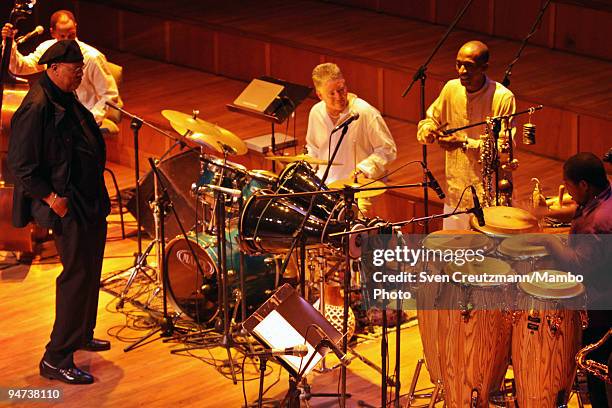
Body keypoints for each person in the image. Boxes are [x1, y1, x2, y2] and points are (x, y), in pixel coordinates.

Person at [8, 40, 111, 385]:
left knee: (91, 267)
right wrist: (52, 199)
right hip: (67, 204)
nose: (80, 75)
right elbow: (21, 166)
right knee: (76, 276)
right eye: (74, 69)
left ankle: (81, 333)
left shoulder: (65, 96)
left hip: (88, 200)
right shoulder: (37, 106)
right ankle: (56, 357)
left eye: (81, 69)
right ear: (53, 69)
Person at [528, 152, 611, 407]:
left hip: (601, 308)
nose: (569, 192)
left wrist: (547, 240)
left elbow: (579, 265)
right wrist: (552, 213)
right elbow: (582, 210)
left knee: (595, 371)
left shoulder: (598, 223)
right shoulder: (605, 195)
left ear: (584, 184)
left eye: (570, 186)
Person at [417, 41, 516, 229]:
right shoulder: (451, 88)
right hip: (456, 192)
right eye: (458, 64)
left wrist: (464, 143)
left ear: (484, 67)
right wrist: (430, 131)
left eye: (469, 66)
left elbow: (505, 149)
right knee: (453, 254)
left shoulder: (502, 97)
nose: (462, 71)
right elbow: (429, 120)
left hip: (489, 195)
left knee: (484, 256)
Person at [2, 10, 119, 125]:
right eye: (62, 36)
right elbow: (20, 67)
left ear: (76, 28)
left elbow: (109, 95)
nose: (67, 41)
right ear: (53, 33)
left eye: (71, 35)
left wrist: (90, 120)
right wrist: (9, 42)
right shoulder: (47, 49)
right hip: (54, 116)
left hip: (81, 119)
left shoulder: (92, 57)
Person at [305, 63, 397, 186]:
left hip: (358, 187)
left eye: (341, 90)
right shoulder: (316, 112)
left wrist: (364, 169)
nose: (339, 97)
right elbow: (313, 149)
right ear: (320, 95)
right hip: (325, 185)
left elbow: (388, 150)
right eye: (332, 93)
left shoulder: (365, 112)